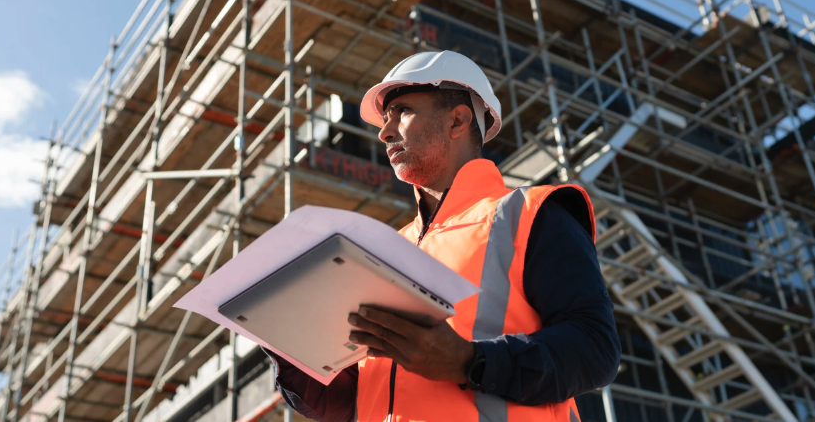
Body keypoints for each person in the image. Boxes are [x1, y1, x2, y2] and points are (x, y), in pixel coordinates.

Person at [264, 51, 621, 422]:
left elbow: (596, 349)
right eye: (385, 120)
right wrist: (288, 346)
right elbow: (348, 404)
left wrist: (470, 362)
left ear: (458, 120)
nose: (385, 132)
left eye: (402, 111)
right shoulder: (385, 249)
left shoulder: (529, 214)